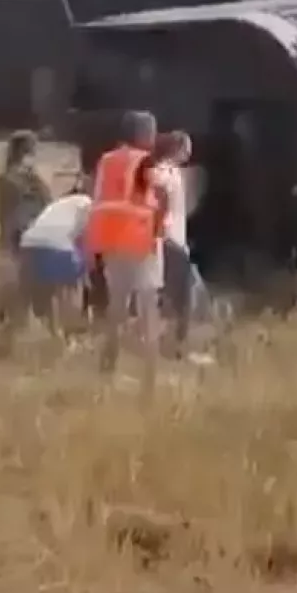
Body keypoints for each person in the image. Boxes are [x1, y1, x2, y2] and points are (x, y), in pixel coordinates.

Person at [82, 111, 166, 388]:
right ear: (144, 134)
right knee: (147, 308)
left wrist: (90, 246)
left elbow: (99, 200)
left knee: (117, 304)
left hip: (110, 241)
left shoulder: (106, 161)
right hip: (139, 240)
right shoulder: (145, 161)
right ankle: (151, 378)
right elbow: (157, 194)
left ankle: (108, 365)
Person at [0, 130, 52, 353]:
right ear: (26, 152)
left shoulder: (25, 178)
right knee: (20, 297)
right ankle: (4, 342)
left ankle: (8, 342)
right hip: (20, 242)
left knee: (22, 297)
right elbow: (8, 217)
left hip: (23, 242)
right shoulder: (13, 180)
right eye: (33, 151)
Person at [152, 131, 207, 356]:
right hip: (168, 240)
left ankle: (170, 343)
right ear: (177, 148)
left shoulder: (173, 172)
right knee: (185, 294)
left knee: (177, 295)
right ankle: (175, 345)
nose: (190, 152)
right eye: (187, 147)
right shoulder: (162, 173)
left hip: (174, 241)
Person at [16, 187, 92, 337]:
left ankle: (49, 331)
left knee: (44, 291)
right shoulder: (88, 203)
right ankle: (68, 332)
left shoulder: (56, 205)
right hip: (56, 246)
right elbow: (86, 238)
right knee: (68, 286)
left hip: (28, 244)